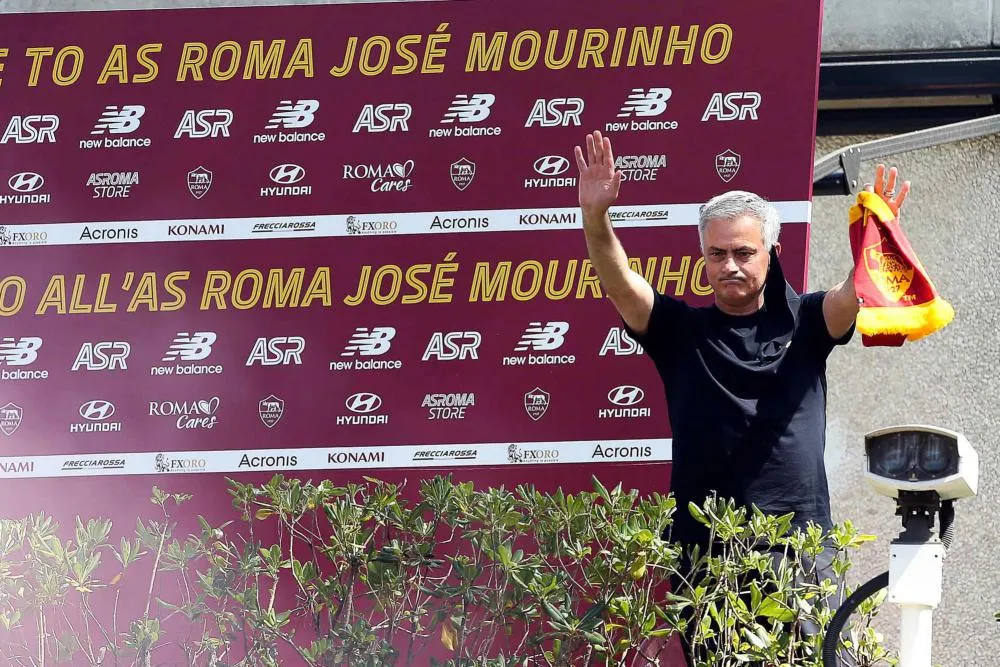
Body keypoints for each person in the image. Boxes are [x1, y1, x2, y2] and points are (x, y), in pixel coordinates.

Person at [574, 130, 909, 665]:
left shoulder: (808, 321)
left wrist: (879, 238)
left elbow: (853, 296)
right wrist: (596, 217)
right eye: (717, 253)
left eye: (743, 252)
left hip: (799, 552)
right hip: (707, 555)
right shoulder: (678, 331)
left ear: (772, 253)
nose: (729, 265)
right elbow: (619, 283)